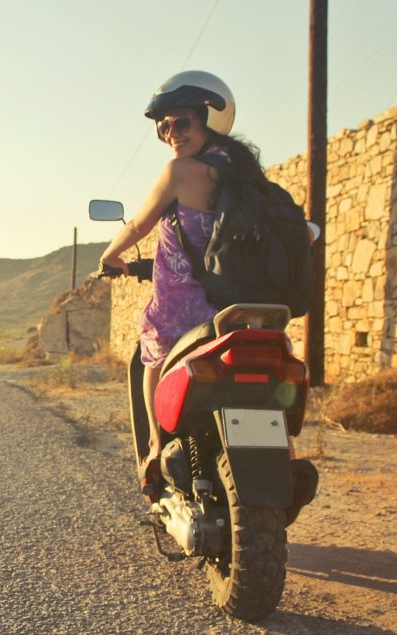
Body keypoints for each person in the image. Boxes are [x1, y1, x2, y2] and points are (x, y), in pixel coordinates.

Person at [98, 70, 277, 503]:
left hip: (188, 312)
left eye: (181, 122)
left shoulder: (180, 172)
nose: (171, 134)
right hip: (240, 307)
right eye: (164, 127)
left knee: (150, 348)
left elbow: (140, 222)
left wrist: (110, 256)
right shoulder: (250, 178)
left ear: (208, 120)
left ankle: (158, 449)